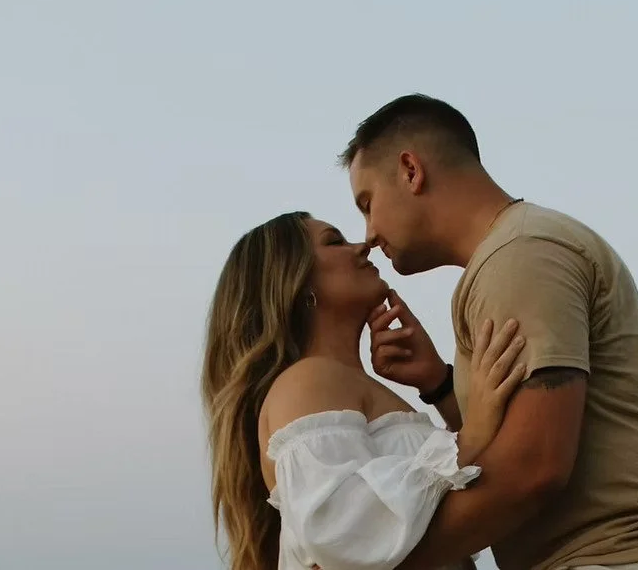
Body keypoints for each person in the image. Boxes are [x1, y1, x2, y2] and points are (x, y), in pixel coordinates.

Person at [339, 94, 638, 570]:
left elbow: (534, 468)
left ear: (410, 170)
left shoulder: (520, 255)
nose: (369, 234)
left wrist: (384, 563)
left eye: (367, 203)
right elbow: (517, 442)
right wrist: (440, 385)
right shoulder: (511, 254)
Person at [200, 212, 528, 570]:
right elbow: (342, 530)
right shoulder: (308, 380)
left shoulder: (341, 384)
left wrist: (437, 384)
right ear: (295, 280)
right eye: (334, 241)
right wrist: (471, 436)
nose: (362, 248)